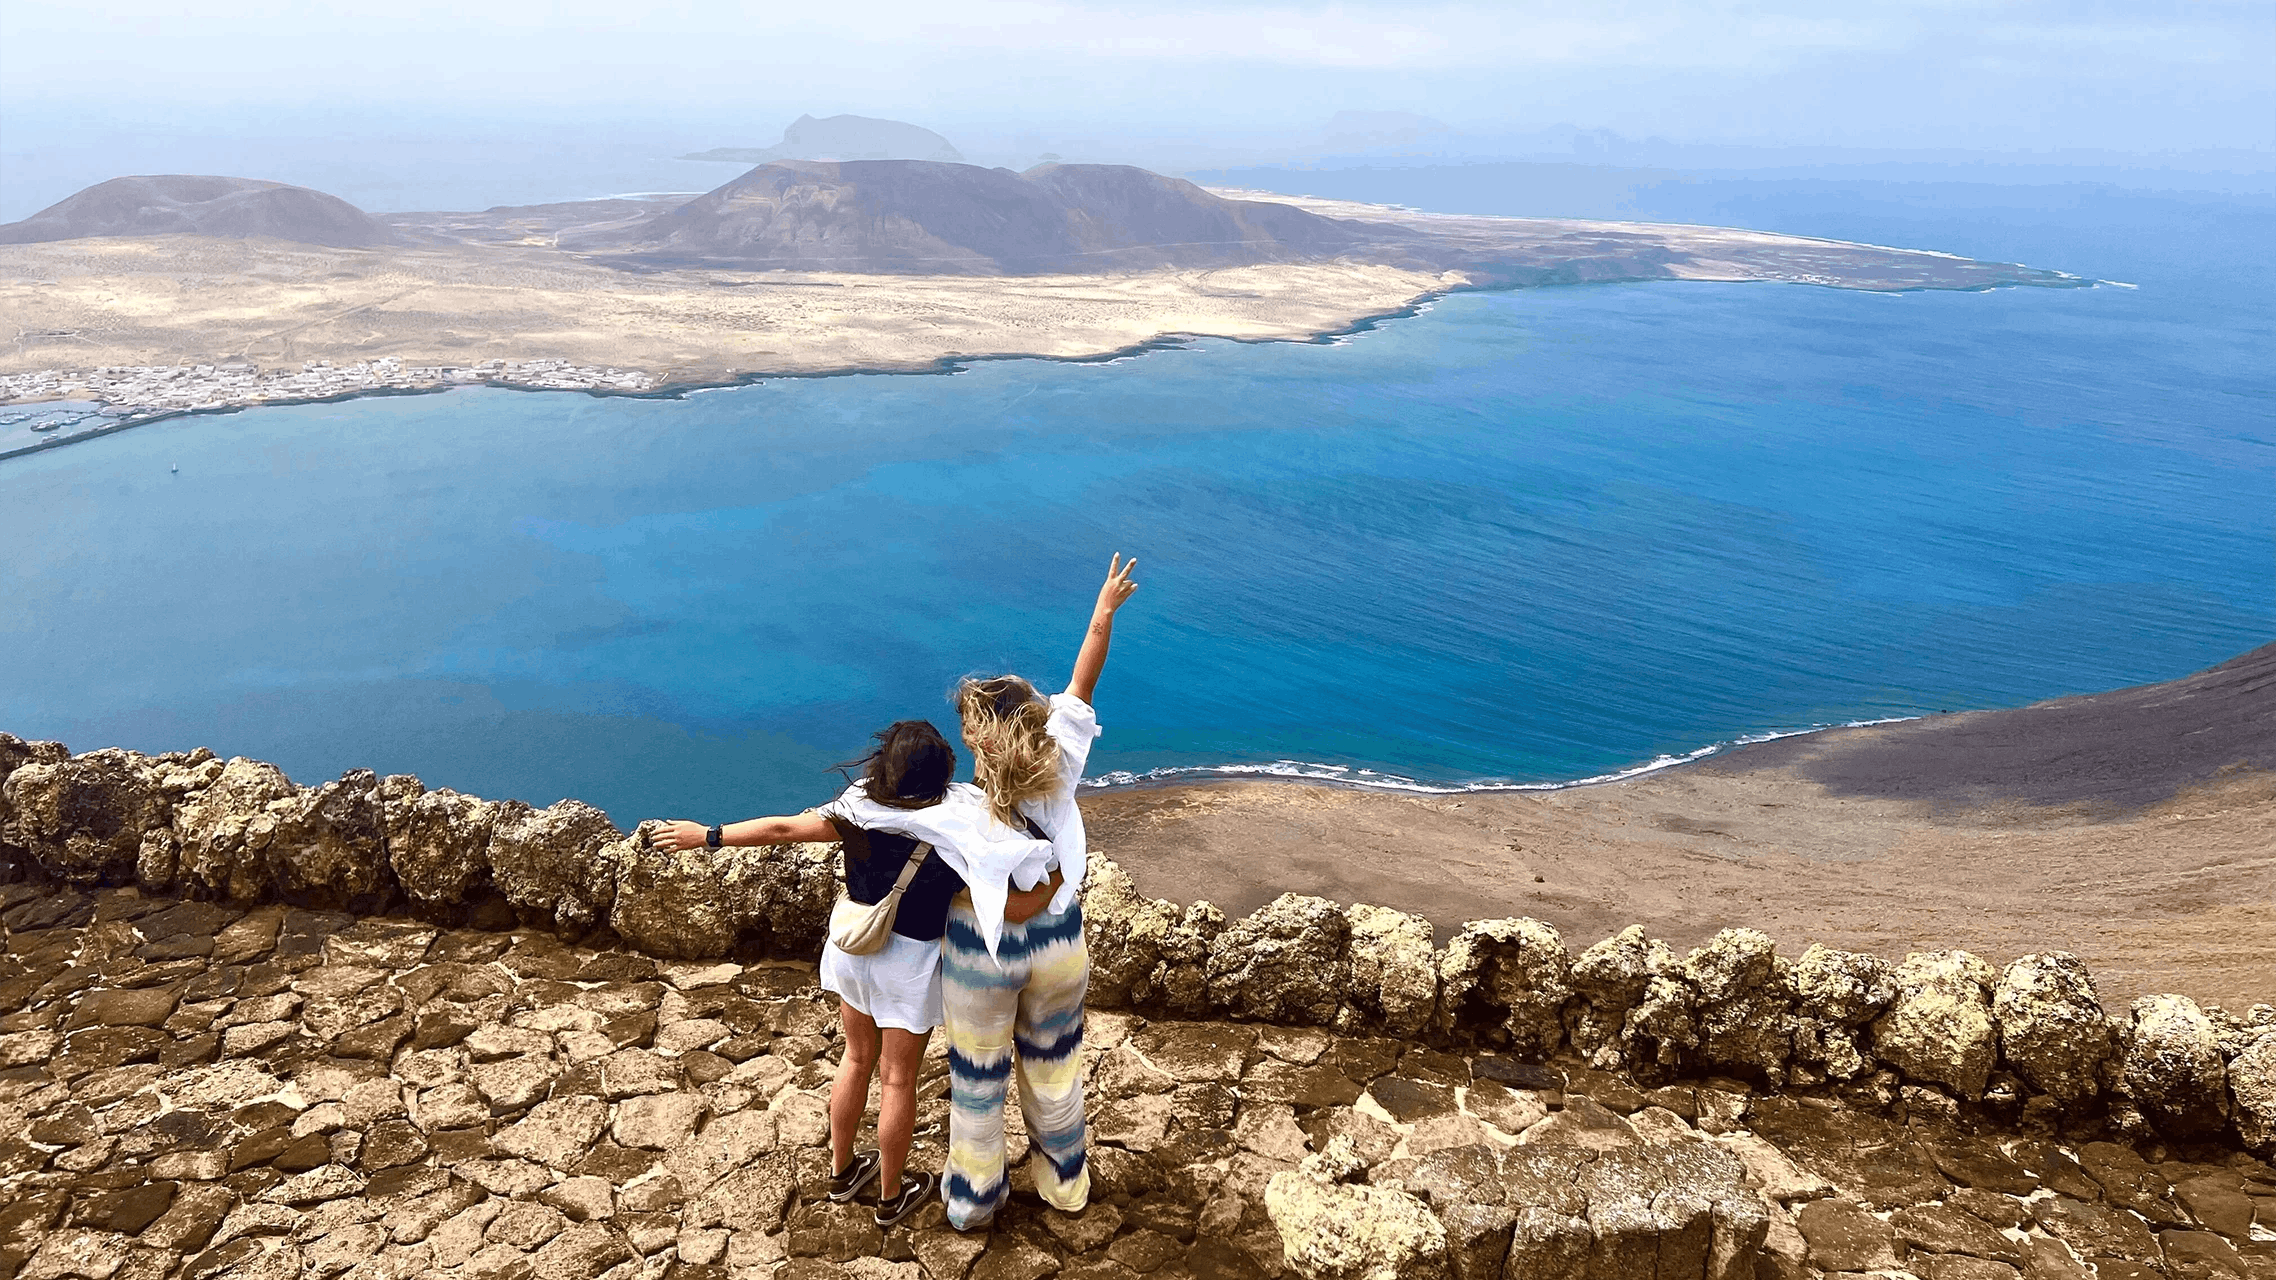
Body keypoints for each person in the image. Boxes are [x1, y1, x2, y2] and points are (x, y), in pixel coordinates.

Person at [649, 720, 979, 1228]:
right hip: (909, 961)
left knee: (855, 1058)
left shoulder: (855, 811)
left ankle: (842, 1170)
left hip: (853, 948)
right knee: (897, 1081)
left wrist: (707, 836)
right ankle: (892, 1197)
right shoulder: (959, 822)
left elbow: (782, 829)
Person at [936, 552, 1139, 1231]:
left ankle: (973, 1199)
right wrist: (1103, 610)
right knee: (1055, 1069)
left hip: (981, 956)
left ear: (978, 739)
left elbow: (844, 819)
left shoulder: (952, 807)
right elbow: (1085, 676)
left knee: (978, 1080)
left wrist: (714, 837)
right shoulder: (1062, 767)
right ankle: (1065, 1185)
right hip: (1058, 948)